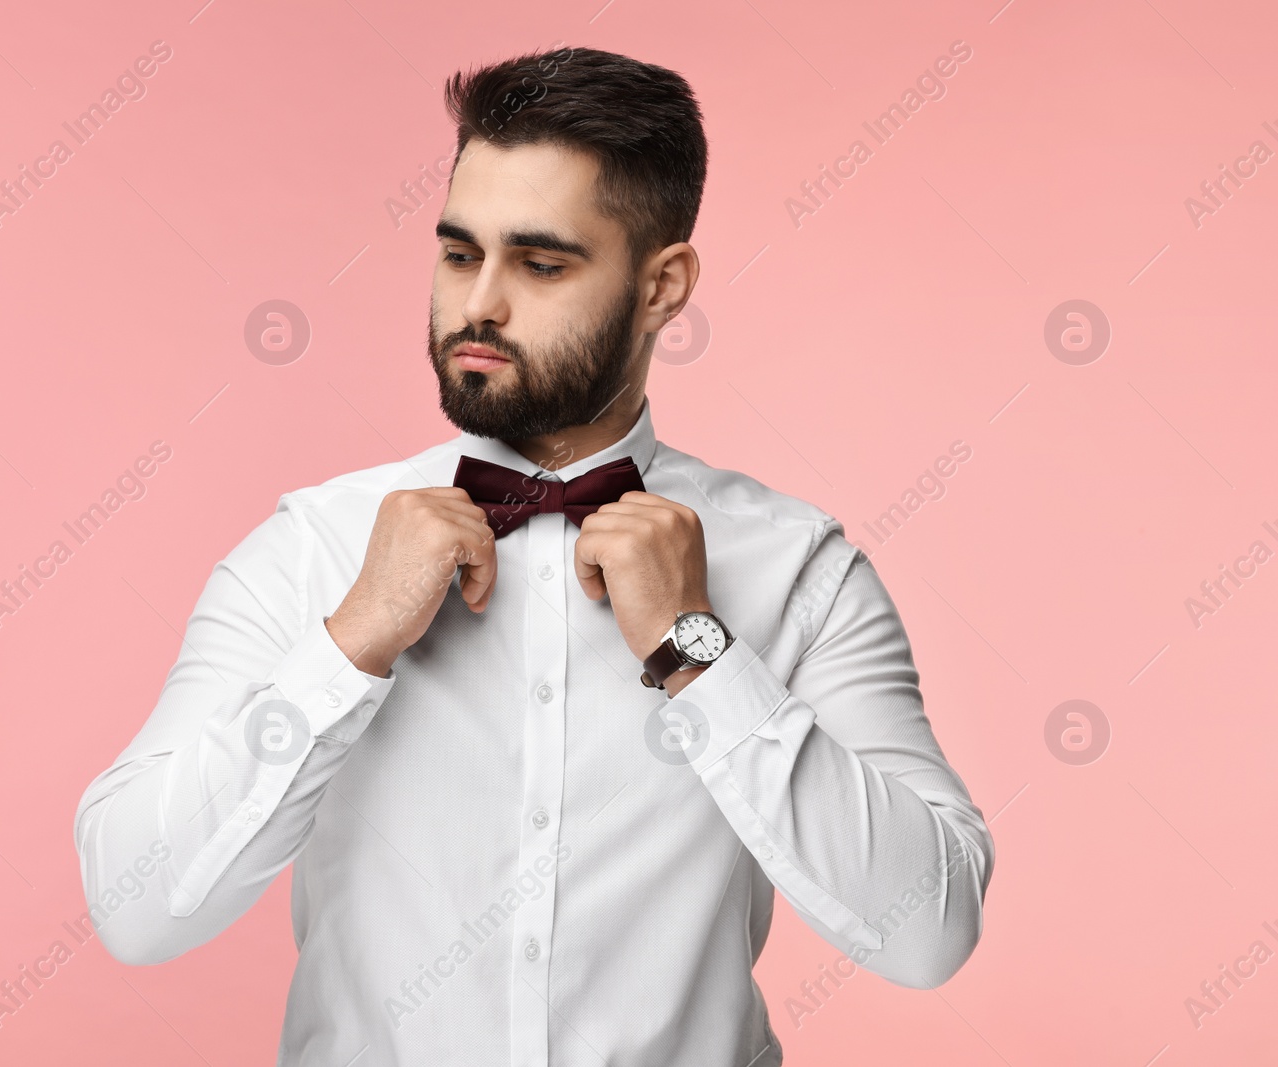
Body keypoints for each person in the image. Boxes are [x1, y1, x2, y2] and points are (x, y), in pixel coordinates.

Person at [73, 44, 993, 1065]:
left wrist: (700, 654)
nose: (480, 306)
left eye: (541, 263)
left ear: (662, 287)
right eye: (460, 254)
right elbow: (134, 906)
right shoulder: (310, 548)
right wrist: (350, 644)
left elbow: (929, 929)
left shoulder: (797, 570)